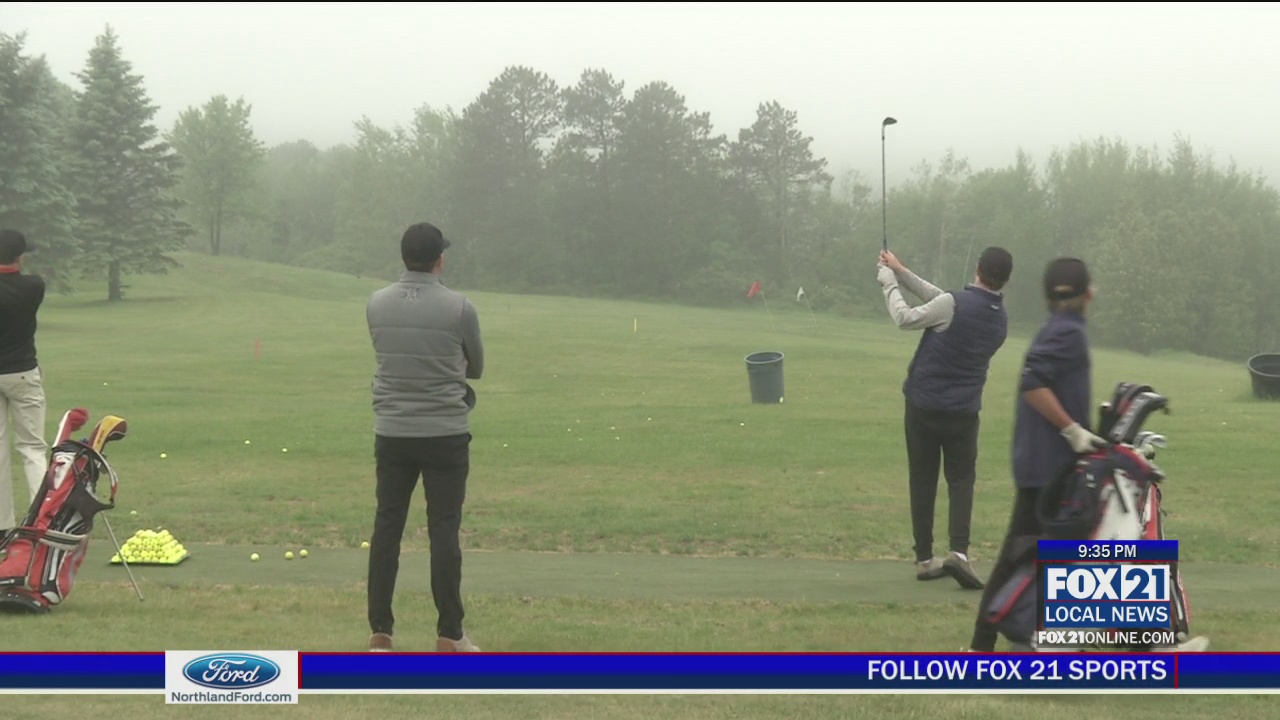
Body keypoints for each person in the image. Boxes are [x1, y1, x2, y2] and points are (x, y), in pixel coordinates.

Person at [966, 257, 1106, 651]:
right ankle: (989, 643)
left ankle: (1029, 637)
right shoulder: (1068, 333)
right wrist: (1073, 430)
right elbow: (1033, 382)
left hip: (1039, 463)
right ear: (1088, 293)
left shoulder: (1058, 328)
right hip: (1048, 467)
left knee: (1033, 554)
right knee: (1023, 554)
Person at [364, 222, 485, 653]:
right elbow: (476, 367)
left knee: (387, 528)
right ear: (440, 260)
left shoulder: (376, 304)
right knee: (444, 531)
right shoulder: (460, 307)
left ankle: (381, 631)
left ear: (403, 257)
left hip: (393, 431)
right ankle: (450, 633)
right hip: (445, 433)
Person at [877, 246, 1013, 590]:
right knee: (961, 481)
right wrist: (901, 269)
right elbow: (943, 299)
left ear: (978, 268)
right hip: (965, 412)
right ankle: (960, 553)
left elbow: (906, 318)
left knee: (923, 480)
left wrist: (888, 283)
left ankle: (924, 559)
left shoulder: (954, 304)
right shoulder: (1000, 318)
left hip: (924, 405)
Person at [0, 229, 48, 532]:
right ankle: (43, 522)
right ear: (19, 257)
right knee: (32, 448)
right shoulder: (34, 286)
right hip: (23, 373)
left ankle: (2, 528)